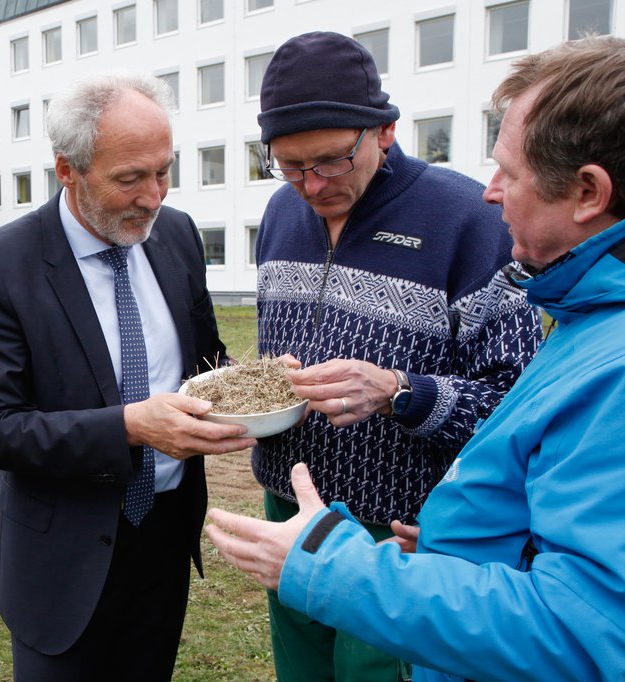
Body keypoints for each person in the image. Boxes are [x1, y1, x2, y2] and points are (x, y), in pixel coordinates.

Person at [207, 35, 625, 681]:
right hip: (289, 503)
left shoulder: (469, 219)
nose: (312, 185)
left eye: (332, 161)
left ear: (386, 132)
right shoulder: (281, 213)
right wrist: (258, 391)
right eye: (290, 166)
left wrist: (402, 391)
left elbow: (509, 403)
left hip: (400, 528)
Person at [0, 72, 257, 680]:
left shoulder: (175, 235)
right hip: (60, 555)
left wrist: (259, 386)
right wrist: (130, 427)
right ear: (68, 169)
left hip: (166, 536)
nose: (154, 197)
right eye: (130, 179)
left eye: (163, 172)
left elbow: (204, 360)